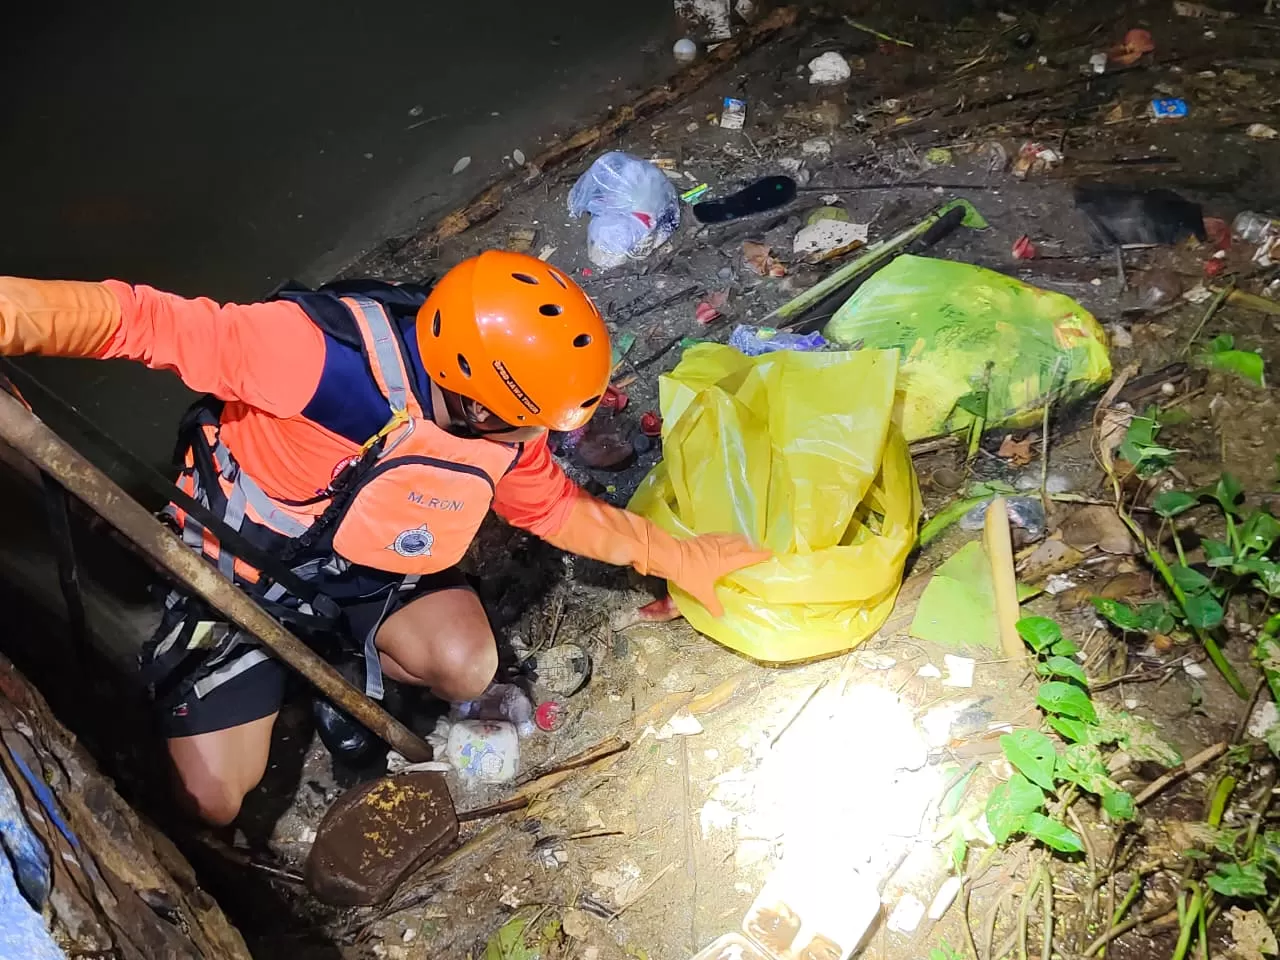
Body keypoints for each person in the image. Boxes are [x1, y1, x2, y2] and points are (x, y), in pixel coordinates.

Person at [0, 251, 768, 825]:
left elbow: (553, 509)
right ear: (473, 395)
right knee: (212, 801)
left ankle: (350, 658)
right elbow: (137, 320)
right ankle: (249, 686)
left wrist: (676, 556)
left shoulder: (506, 414)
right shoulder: (314, 357)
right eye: (523, 422)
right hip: (241, 575)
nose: (532, 437)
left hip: (370, 567)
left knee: (471, 667)